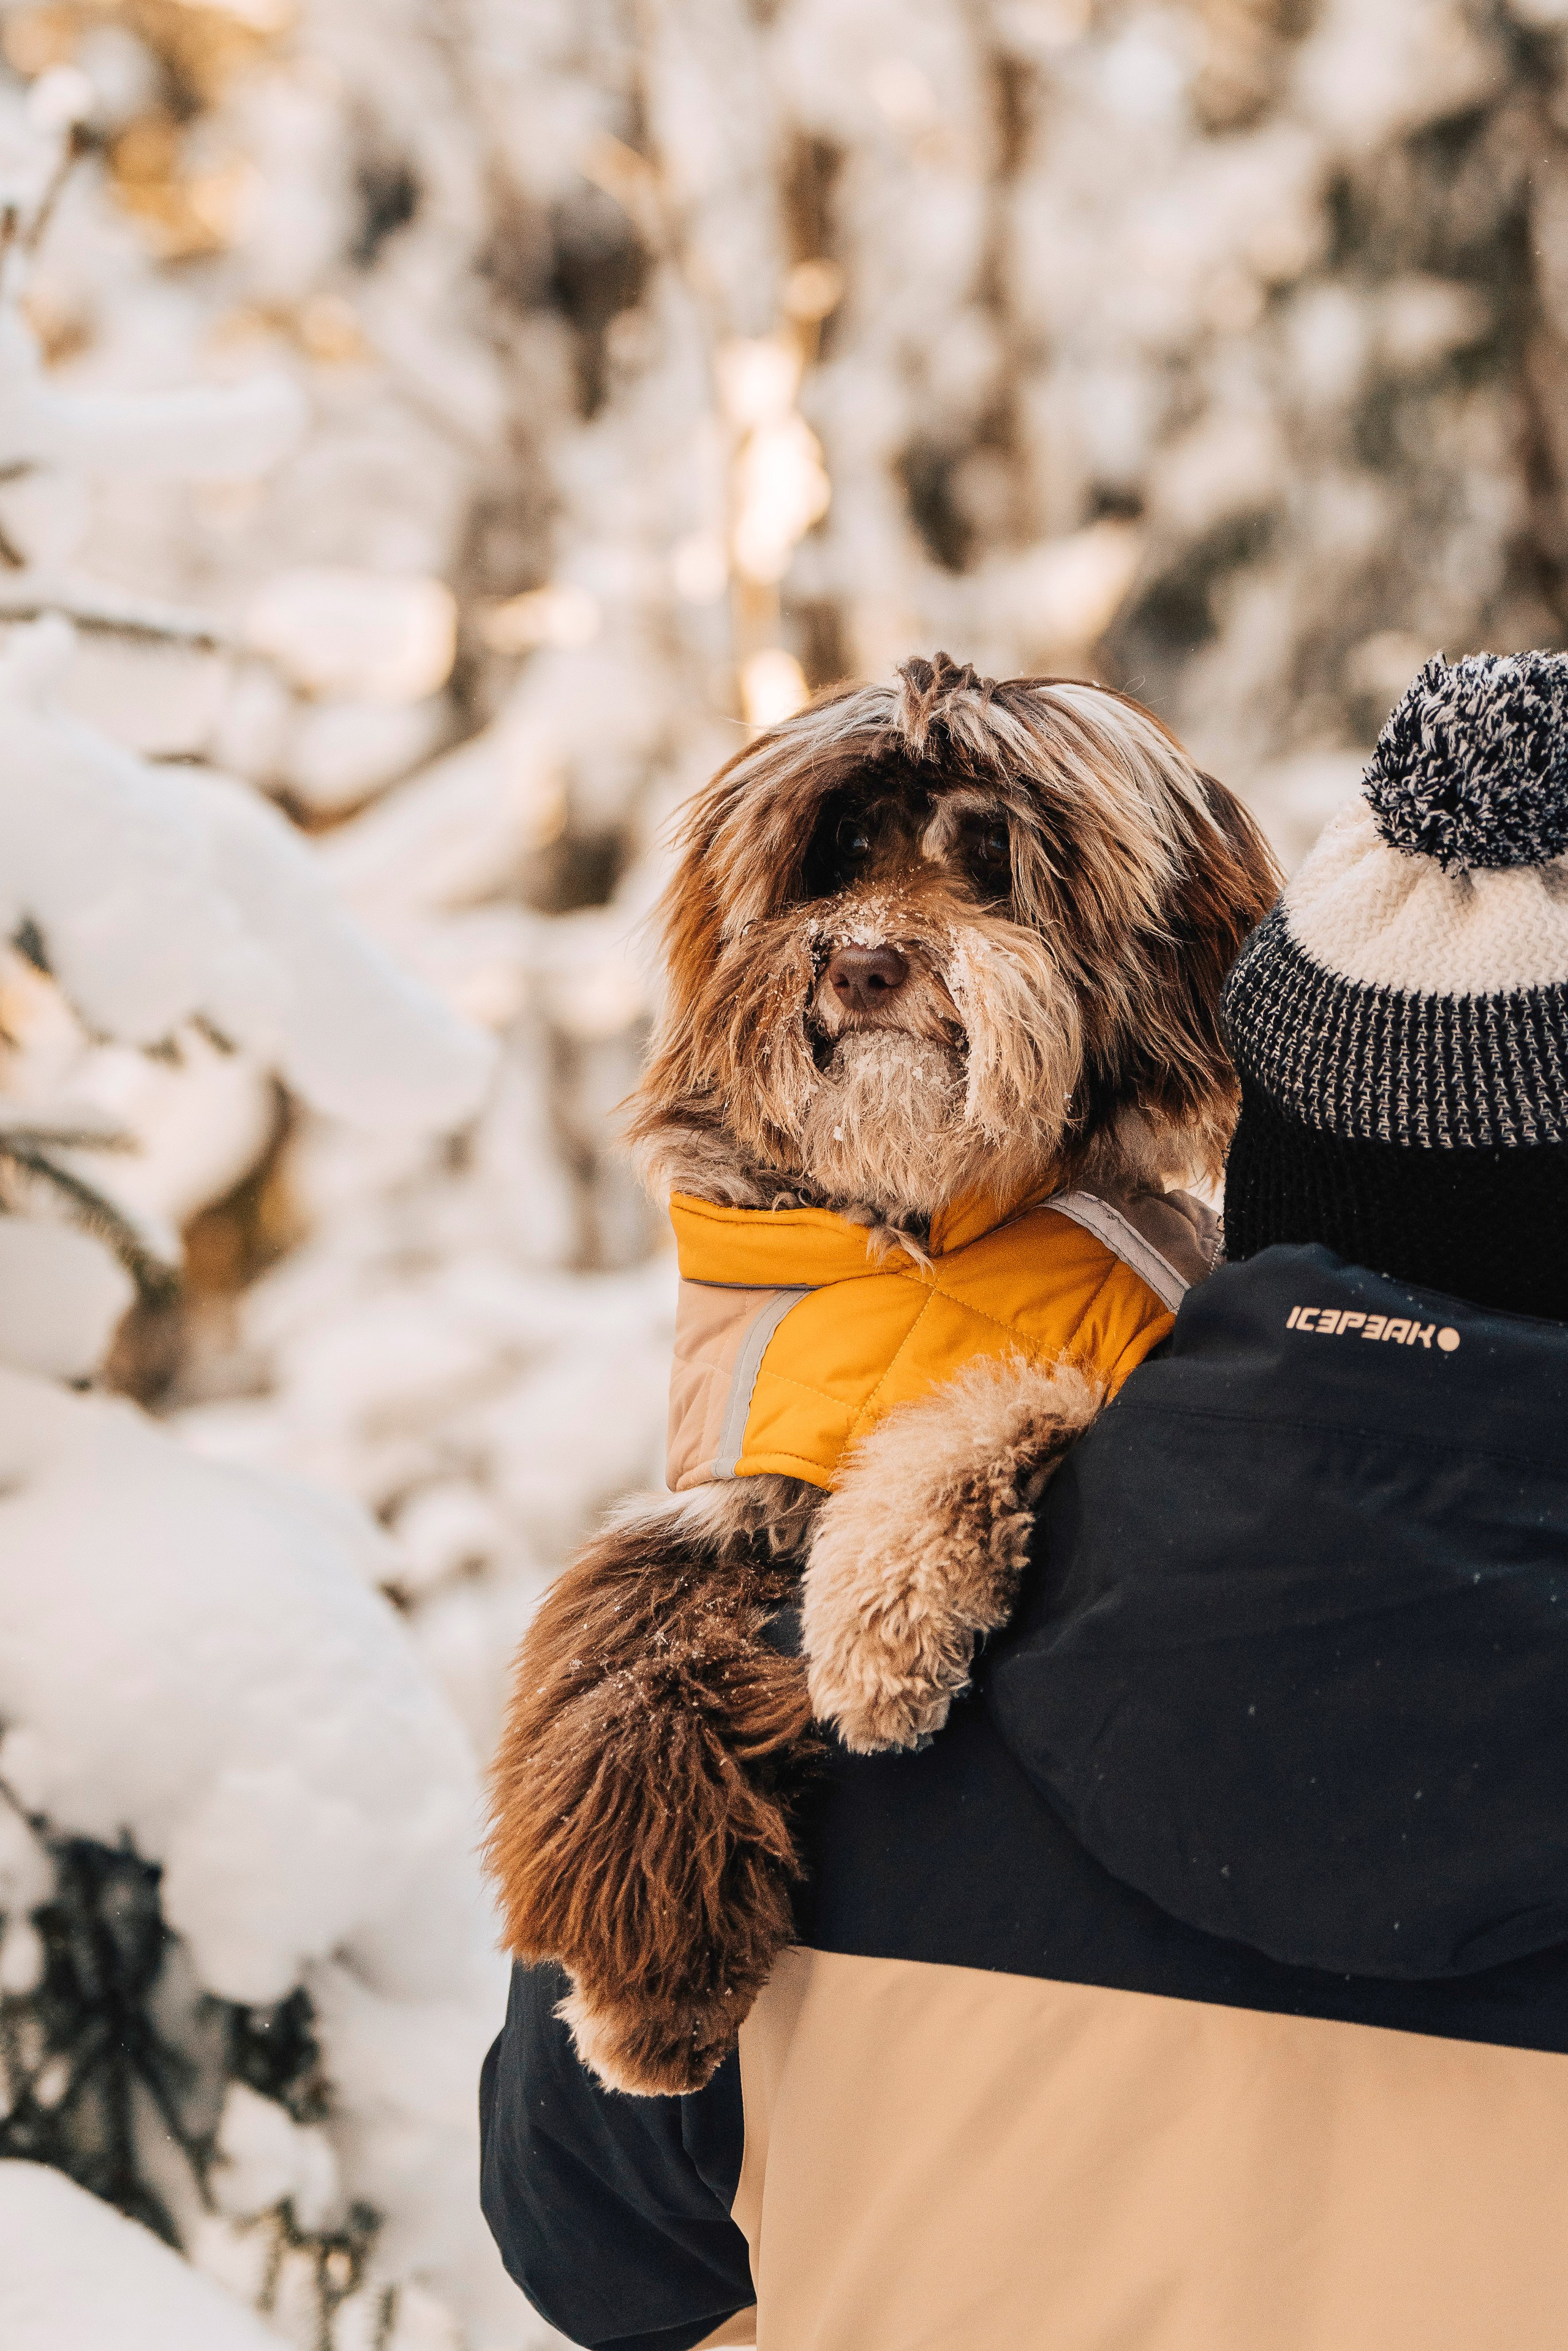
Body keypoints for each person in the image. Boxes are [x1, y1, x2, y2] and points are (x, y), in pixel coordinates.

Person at [480, 650, 1568, 2351]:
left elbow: (603, 2253)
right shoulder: (721, 1673)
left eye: (988, 871)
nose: (870, 936)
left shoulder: (832, 1704)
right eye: (834, 877)